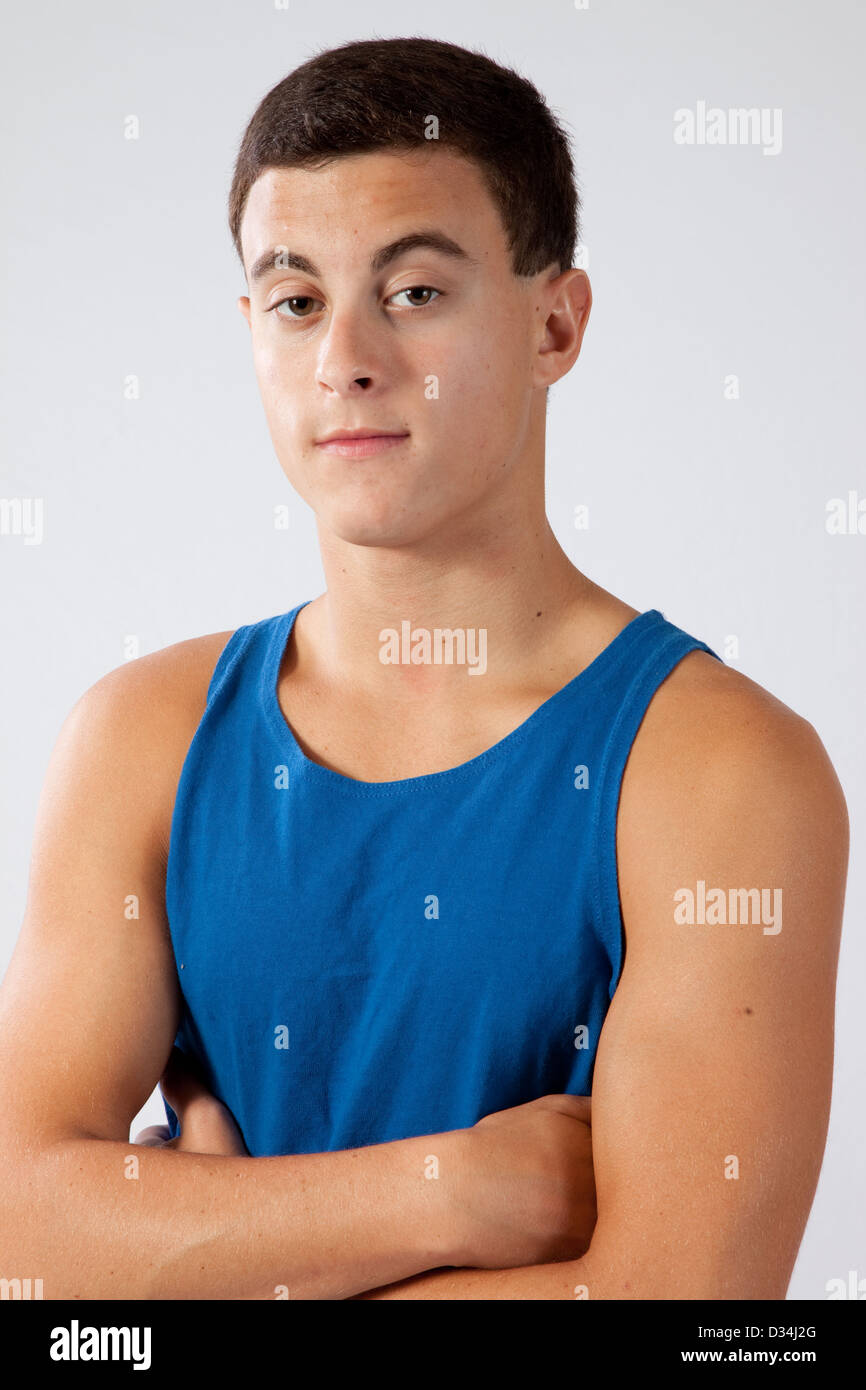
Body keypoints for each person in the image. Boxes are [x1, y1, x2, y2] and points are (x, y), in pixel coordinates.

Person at [0, 37, 848, 1301]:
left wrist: (203, 1250)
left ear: (554, 323)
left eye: (412, 292)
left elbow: (687, 1319)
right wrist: (444, 1189)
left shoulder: (719, 773)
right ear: (252, 332)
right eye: (295, 300)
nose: (344, 354)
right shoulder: (140, 737)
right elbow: (22, 1231)